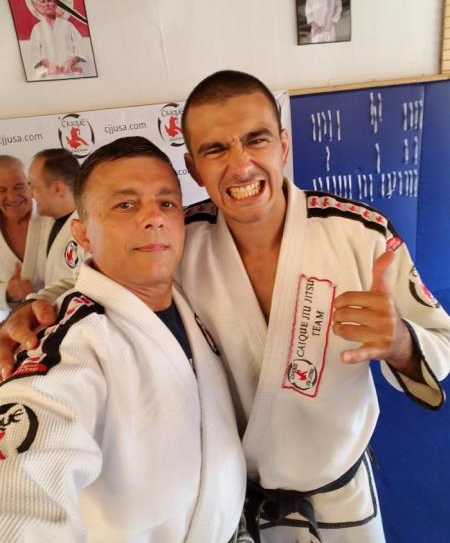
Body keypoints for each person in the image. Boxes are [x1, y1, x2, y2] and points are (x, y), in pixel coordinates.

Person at [1, 71, 450, 542]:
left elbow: (440, 340)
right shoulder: (180, 238)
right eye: (215, 149)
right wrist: (34, 307)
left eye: (256, 140)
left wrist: (401, 343)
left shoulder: (360, 234)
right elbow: (97, 274)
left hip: (341, 494)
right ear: (194, 168)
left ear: (283, 145)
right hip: (238, 508)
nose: (240, 165)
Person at [0, 138, 246, 542]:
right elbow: (24, 482)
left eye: (167, 203)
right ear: (83, 234)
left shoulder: (187, 296)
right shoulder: (71, 342)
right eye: (125, 205)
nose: (154, 217)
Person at [0, 156, 50, 321]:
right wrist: (8, 292)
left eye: (18, 187)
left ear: (30, 186)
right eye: (1, 190)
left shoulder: (52, 216)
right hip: (15, 323)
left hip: (65, 314)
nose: (12, 197)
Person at [28, 149, 85, 287]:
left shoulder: (89, 230)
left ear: (57, 188)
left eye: (33, 186)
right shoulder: (44, 223)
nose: (30, 194)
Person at [29, 0, 87, 79]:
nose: (47, 4)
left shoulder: (68, 25)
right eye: (43, 2)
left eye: (49, 1)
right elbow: (34, 52)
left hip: (70, 73)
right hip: (49, 74)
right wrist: (48, 64)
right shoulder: (37, 28)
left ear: (55, 4)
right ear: (40, 6)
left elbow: (80, 46)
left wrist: (71, 62)